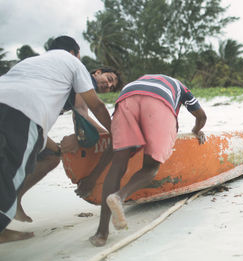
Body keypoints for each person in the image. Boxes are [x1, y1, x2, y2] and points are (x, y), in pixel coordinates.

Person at [0, 35, 112, 243]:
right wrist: (115, 132)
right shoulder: (72, 63)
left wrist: (58, 147)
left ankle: (13, 204)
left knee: (52, 155)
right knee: (10, 171)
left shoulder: (32, 63)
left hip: (12, 105)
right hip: (22, 112)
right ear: (74, 53)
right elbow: (90, 108)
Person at [89, 74, 207, 247]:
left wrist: (92, 177)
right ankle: (119, 197)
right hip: (159, 103)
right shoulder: (181, 88)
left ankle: (101, 233)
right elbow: (201, 116)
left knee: (118, 163)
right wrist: (196, 130)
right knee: (151, 166)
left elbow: (111, 149)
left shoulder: (140, 79)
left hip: (127, 96)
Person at [14, 67, 122, 223]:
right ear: (98, 72)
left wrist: (106, 135)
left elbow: (83, 115)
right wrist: (113, 135)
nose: (109, 85)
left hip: (28, 117)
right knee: (41, 157)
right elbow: (83, 113)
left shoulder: (82, 86)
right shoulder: (83, 78)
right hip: (22, 115)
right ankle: (10, 206)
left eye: (112, 87)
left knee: (51, 156)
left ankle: (14, 200)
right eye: (109, 79)